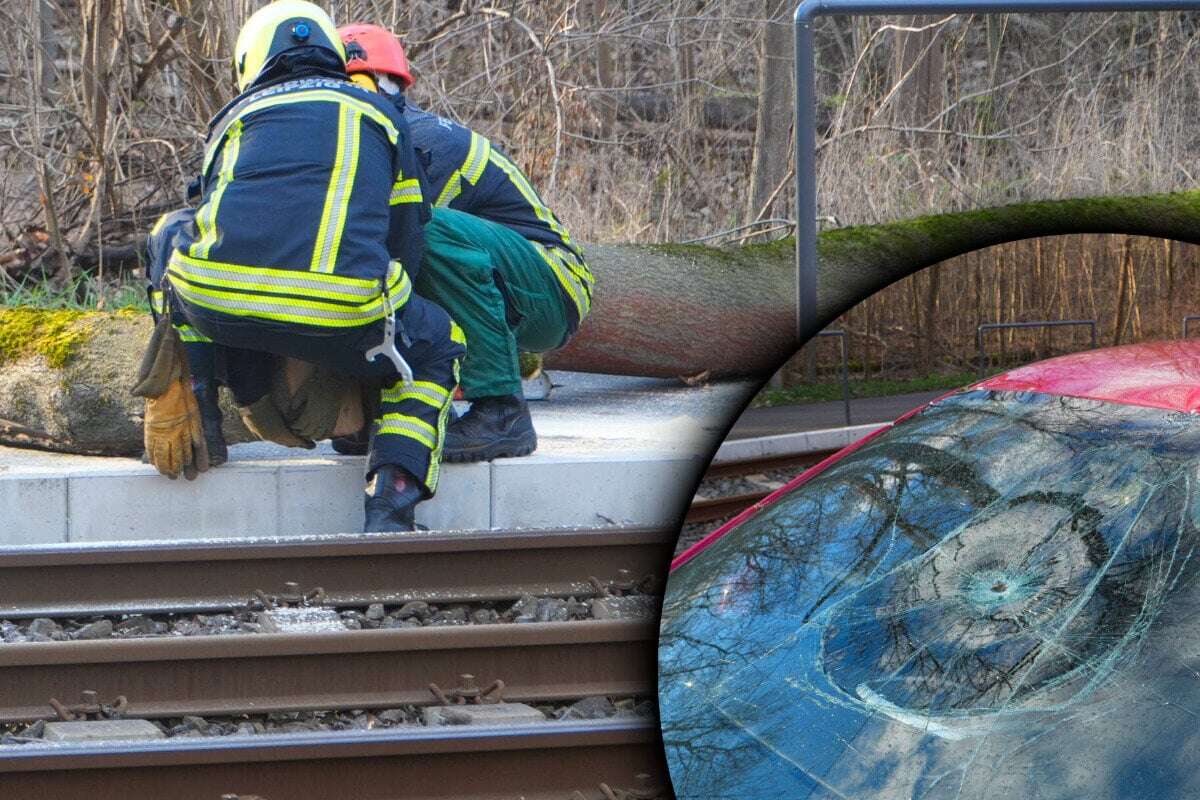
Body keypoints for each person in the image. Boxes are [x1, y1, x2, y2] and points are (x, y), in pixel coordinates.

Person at [136, 0, 465, 533]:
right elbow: (407, 235)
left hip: (217, 307)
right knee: (437, 343)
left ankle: (202, 413)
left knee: (170, 236)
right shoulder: (378, 114)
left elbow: (206, 218)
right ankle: (389, 503)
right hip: (340, 313)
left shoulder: (232, 120)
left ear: (250, 61)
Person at [334, 23, 595, 463]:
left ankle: (501, 412)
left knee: (418, 228)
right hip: (502, 281)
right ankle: (384, 410)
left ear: (378, 84)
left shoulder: (419, 141)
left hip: (551, 280)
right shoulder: (380, 137)